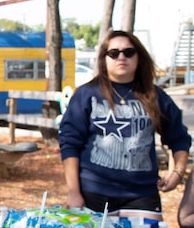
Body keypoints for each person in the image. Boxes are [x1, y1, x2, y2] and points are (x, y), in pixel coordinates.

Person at [60, 30, 190, 214]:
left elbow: (179, 138)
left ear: (139, 57)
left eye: (128, 52)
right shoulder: (86, 94)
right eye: (113, 53)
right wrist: (73, 192)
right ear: (104, 59)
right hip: (93, 194)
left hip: (142, 196)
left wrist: (178, 172)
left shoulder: (154, 96)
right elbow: (69, 143)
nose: (121, 57)